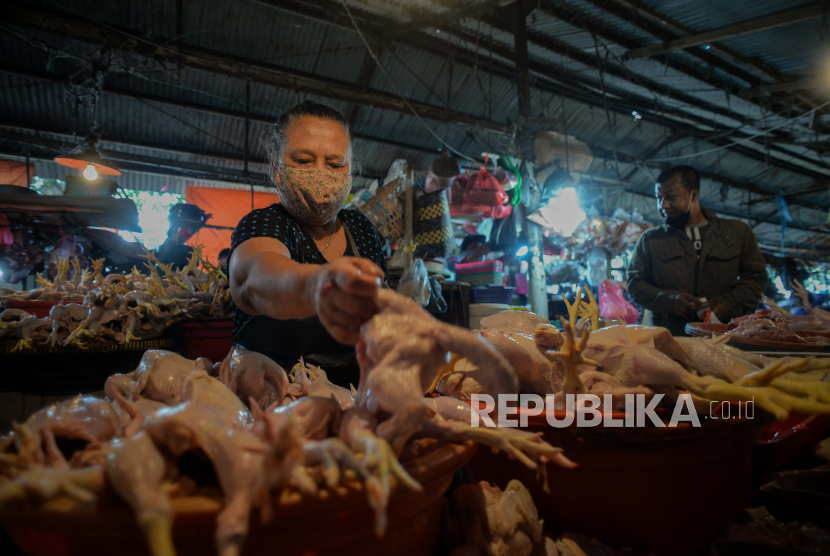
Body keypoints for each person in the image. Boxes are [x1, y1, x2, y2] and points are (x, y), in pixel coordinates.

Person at [228, 101, 387, 389]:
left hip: (355, 391)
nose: (320, 173)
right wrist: (319, 286)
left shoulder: (362, 229)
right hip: (273, 390)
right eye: (303, 161)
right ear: (276, 167)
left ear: (351, 170)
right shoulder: (265, 224)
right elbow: (254, 277)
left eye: (335, 164)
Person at [626, 166, 767, 336]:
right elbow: (635, 284)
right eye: (658, 198)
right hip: (670, 339)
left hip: (723, 337)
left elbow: (756, 279)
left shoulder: (736, 233)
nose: (663, 205)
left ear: (694, 195)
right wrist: (670, 301)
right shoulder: (650, 240)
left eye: (671, 197)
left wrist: (726, 304)